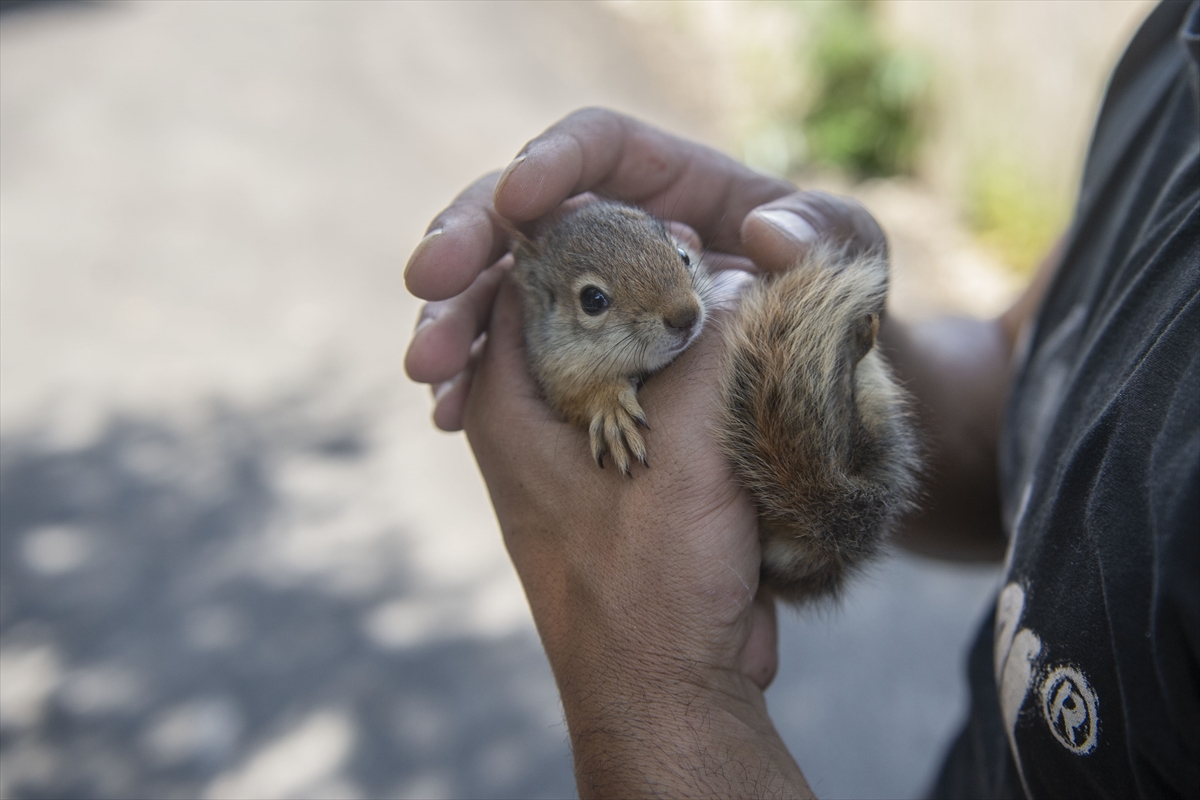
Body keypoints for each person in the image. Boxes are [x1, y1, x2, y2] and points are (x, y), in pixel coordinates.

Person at [403, 2, 1198, 796]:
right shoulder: (1172, 52)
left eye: (677, 257)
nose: (685, 306)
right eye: (602, 303)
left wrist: (660, 697)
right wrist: (849, 353)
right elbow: (1034, 389)